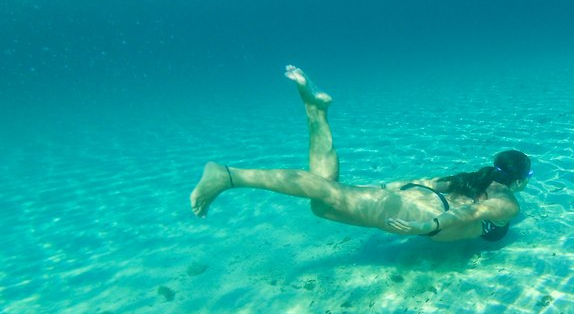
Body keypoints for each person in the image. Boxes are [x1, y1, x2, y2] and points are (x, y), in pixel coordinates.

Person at [190, 66, 532, 242]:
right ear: (519, 180)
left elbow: (426, 181)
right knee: (329, 194)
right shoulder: (508, 204)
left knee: (323, 205)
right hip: (421, 215)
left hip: (415, 200)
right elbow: (470, 215)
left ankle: (315, 112)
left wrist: (387, 186)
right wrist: (428, 225)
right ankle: (229, 175)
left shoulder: (475, 178)